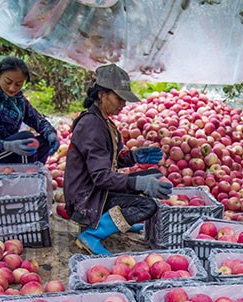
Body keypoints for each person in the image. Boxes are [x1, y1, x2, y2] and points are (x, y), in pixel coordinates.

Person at [63, 64, 172, 255]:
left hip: (97, 190)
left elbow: (109, 160)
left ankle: (118, 221)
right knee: (148, 205)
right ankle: (92, 234)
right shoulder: (92, 125)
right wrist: (138, 183)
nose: (123, 103)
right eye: (119, 98)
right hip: (87, 198)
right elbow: (101, 177)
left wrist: (133, 156)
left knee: (153, 175)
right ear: (102, 94)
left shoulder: (102, 121)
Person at [0, 56, 60, 165]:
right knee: (26, 138)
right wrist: (7, 146)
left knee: (45, 141)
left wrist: (51, 134)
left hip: (4, 151)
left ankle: (31, 170)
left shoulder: (18, 99)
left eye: (18, 84)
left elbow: (37, 120)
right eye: (8, 82)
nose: (12, 88)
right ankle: (26, 173)